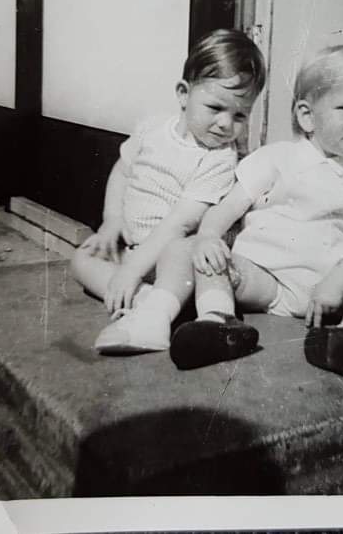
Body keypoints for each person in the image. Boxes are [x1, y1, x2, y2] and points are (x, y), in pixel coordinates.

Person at [162, 45, 343, 382]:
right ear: (306, 116)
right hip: (265, 280)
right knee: (214, 261)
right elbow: (227, 208)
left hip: (334, 288)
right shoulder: (276, 158)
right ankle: (217, 321)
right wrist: (208, 237)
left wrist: (335, 284)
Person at [70, 29, 265, 354]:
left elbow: (181, 224)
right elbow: (123, 171)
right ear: (183, 94)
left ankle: (155, 306)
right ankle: (143, 298)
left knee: (181, 254)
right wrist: (112, 221)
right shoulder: (152, 129)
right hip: (133, 248)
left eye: (239, 115)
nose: (225, 124)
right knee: (81, 259)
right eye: (215, 107)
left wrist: (132, 270)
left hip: (172, 256)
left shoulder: (219, 157)